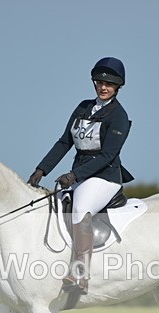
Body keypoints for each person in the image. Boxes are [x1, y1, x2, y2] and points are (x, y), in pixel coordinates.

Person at [28, 57, 133, 295]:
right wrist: (42, 169)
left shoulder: (119, 116)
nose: (103, 87)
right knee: (52, 205)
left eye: (109, 84)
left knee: (81, 206)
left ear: (118, 87)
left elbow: (107, 155)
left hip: (105, 177)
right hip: (81, 174)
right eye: (99, 82)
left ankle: (81, 273)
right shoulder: (83, 107)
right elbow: (65, 141)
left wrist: (74, 175)